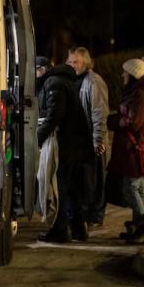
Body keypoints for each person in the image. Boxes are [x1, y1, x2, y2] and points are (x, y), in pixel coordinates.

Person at [36, 56, 94, 242]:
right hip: (77, 144)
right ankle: (78, 229)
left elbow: (55, 115)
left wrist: (38, 137)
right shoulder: (65, 80)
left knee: (59, 187)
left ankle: (60, 230)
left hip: (66, 143)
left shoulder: (54, 83)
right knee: (73, 189)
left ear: (41, 69)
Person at [107, 55, 144, 244]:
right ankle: (139, 226)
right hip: (135, 144)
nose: (122, 75)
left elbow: (134, 123)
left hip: (136, 146)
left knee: (131, 187)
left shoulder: (142, 95)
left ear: (133, 75)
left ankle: (143, 225)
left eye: (125, 72)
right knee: (139, 186)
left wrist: (110, 121)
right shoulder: (140, 91)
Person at [66, 47, 110, 228]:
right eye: (69, 62)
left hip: (91, 141)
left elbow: (100, 112)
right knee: (81, 181)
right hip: (77, 142)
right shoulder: (71, 80)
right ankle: (82, 214)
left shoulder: (93, 82)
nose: (71, 65)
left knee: (95, 180)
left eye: (75, 62)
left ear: (85, 63)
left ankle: (95, 215)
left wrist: (98, 140)